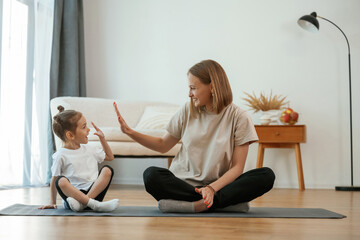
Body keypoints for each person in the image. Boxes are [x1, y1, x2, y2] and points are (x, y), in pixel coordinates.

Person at [114, 59, 275, 213]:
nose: (189, 94)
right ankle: (221, 203)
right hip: (183, 185)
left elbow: (237, 168)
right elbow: (163, 145)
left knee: (266, 175)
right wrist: (131, 132)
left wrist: (211, 188)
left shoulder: (239, 117)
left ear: (212, 87)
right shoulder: (187, 110)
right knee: (151, 175)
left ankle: (191, 205)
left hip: (218, 186)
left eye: (193, 88)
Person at [39, 106, 119, 212]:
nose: (88, 129)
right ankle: (93, 205)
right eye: (84, 127)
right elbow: (54, 180)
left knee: (107, 170)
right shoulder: (60, 155)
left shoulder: (90, 149)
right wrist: (52, 203)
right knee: (61, 181)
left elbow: (110, 157)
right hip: (73, 197)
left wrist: (102, 139)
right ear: (70, 135)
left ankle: (85, 204)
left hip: (94, 193)